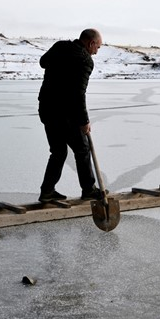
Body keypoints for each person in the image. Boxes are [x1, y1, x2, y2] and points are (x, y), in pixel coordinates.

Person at [37, 28, 105, 203]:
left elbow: (43, 62)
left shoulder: (60, 46)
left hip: (47, 108)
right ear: (91, 43)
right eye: (98, 47)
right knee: (82, 149)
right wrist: (84, 121)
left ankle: (47, 191)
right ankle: (89, 189)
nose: (97, 51)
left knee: (58, 152)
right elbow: (78, 94)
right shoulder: (85, 60)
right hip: (66, 114)